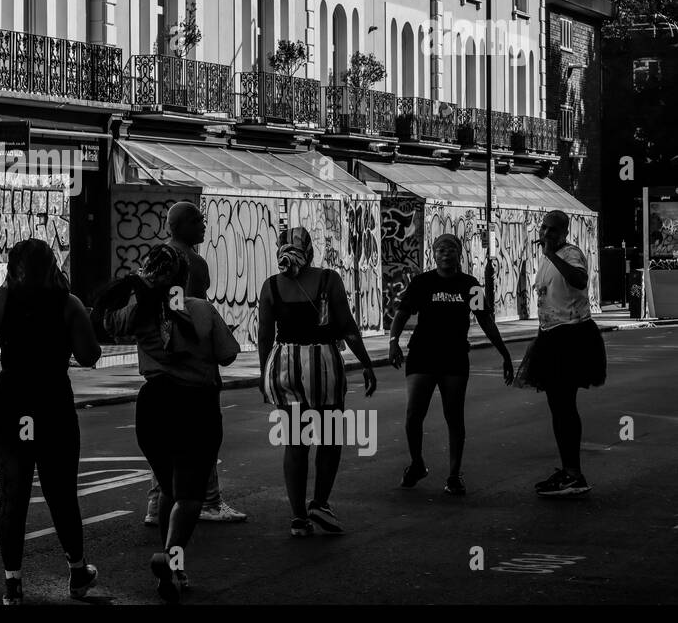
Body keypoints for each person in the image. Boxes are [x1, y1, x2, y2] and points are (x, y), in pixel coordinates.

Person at [96, 244, 239, 604]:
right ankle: (171, 555)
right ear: (185, 277)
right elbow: (228, 353)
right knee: (190, 495)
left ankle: (174, 566)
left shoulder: (140, 311)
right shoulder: (201, 309)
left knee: (167, 487)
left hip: (154, 406)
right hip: (196, 406)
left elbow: (108, 323)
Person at [0, 239, 103, 606]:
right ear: (52, 266)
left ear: (16, 268)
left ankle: (12, 584)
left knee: (12, 497)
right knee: (61, 495)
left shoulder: (2, 299)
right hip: (52, 405)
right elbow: (90, 354)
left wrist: (7, 293)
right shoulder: (68, 303)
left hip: (11, 404)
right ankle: (77, 573)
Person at [257, 226, 376, 537]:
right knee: (329, 439)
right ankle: (320, 503)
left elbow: (265, 336)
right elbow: (348, 327)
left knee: (295, 444)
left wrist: (263, 374)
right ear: (309, 250)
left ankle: (298, 517)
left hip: (284, 366)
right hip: (323, 365)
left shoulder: (270, 286)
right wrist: (367, 364)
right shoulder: (328, 279)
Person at [144, 201, 248, 526]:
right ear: (185, 224)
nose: (204, 227)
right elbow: (189, 307)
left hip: (160, 370)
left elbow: (166, 307)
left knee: (166, 444)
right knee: (200, 443)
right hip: (193, 370)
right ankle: (210, 501)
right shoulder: (194, 262)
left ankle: (156, 503)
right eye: (199, 221)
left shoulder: (155, 258)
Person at [388, 233, 514, 495]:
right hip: (422, 354)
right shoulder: (423, 282)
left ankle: (454, 475)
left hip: (454, 357)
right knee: (414, 414)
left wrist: (504, 353)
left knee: (454, 416)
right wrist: (393, 342)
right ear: (434, 255)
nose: (446, 254)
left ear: (459, 254)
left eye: (451, 250)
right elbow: (402, 313)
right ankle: (417, 463)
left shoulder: (471, 285)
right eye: (440, 250)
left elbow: (486, 320)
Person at [514, 210, 607, 497]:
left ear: (564, 232)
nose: (546, 234)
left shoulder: (570, 254)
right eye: (544, 229)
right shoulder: (546, 258)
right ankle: (569, 471)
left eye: (552, 230)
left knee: (564, 406)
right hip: (552, 336)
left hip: (572, 337)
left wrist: (553, 254)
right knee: (559, 406)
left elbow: (579, 280)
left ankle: (574, 474)